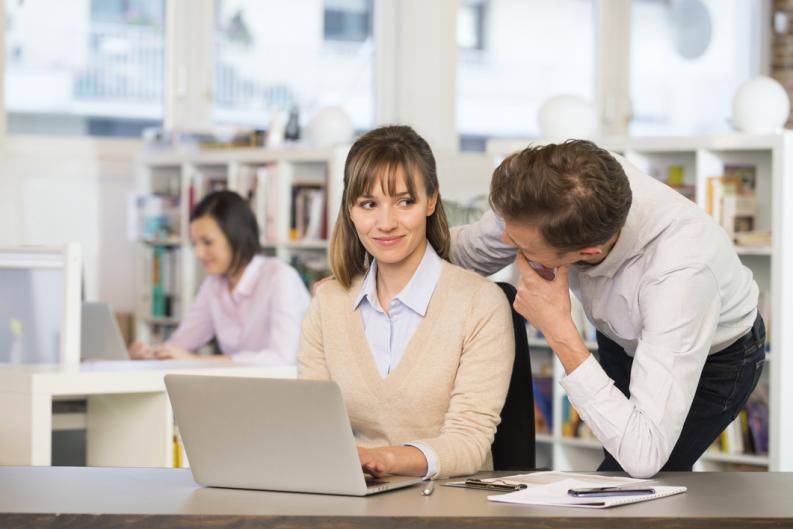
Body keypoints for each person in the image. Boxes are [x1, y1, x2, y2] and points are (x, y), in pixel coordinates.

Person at [450, 139, 766, 478]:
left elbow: (643, 455)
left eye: (523, 246)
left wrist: (558, 329)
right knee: (622, 465)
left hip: (716, 358)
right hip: (619, 335)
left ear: (587, 252)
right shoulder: (548, 186)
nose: (506, 244)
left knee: (633, 476)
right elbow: (470, 252)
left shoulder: (679, 275)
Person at [298, 125, 515, 479]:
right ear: (351, 210)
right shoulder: (328, 303)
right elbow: (312, 423)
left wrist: (382, 459)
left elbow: (470, 442)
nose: (386, 223)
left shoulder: (481, 304)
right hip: (351, 501)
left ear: (431, 200)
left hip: (448, 508)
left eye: (404, 202)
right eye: (369, 204)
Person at [129, 190, 310, 364]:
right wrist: (151, 354)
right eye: (195, 244)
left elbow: (281, 359)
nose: (199, 253)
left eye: (207, 242)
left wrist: (197, 361)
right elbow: (180, 345)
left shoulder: (280, 278)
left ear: (236, 237)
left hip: (289, 391)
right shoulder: (213, 285)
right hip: (242, 389)